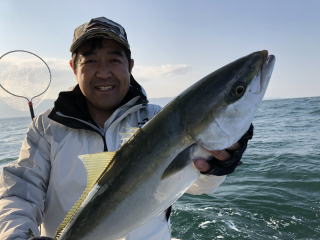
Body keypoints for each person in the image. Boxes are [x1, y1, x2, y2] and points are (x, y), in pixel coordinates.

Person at [0, 17, 253, 240]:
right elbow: (21, 192)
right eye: (91, 61)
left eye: (114, 60)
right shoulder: (46, 128)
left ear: (130, 66)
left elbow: (198, 185)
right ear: (73, 67)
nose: (103, 72)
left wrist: (217, 167)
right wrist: (18, 235)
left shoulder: (156, 120)